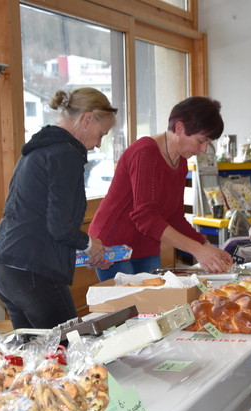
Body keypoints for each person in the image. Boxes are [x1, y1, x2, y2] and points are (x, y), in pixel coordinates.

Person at [0, 88, 115, 329]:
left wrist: (86, 251)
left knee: (34, 354)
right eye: (101, 134)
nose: (98, 145)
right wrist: (89, 244)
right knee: (70, 346)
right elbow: (60, 227)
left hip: (2, 267)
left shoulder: (42, 148)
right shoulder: (65, 154)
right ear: (87, 119)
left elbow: (38, 221)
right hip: (30, 272)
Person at [89, 96, 233, 281]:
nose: (204, 149)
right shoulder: (145, 152)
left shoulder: (180, 162)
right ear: (180, 129)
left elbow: (174, 216)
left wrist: (205, 245)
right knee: (130, 306)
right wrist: (197, 250)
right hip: (113, 246)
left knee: (153, 304)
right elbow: (145, 217)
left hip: (146, 245)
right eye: (201, 141)